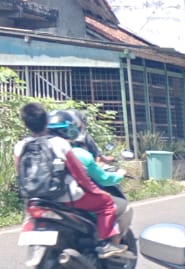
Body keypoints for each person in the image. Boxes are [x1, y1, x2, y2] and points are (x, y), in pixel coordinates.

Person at [14, 103, 129, 258]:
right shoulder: (59, 143)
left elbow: (19, 174)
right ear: (46, 122)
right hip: (66, 197)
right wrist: (95, 191)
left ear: (26, 123)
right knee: (107, 203)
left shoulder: (21, 145)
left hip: (36, 200)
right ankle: (106, 245)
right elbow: (79, 173)